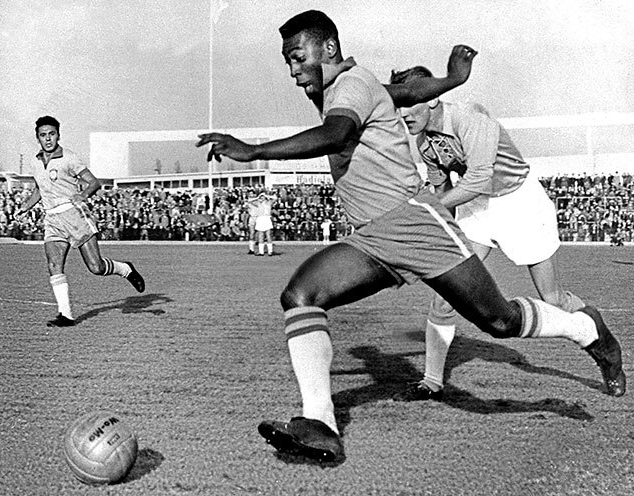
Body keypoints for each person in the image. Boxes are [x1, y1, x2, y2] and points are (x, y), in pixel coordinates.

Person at [196, 10, 624, 463]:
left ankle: (586, 330)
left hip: (416, 225)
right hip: (374, 237)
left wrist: (254, 151)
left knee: (499, 322)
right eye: (287, 61)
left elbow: (335, 133)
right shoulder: (352, 83)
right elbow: (407, 92)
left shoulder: (351, 86)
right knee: (301, 294)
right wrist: (450, 79)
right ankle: (319, 424)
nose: (292, 69)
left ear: (328, 50)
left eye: (298, 57)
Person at [388, 66, 587, 401]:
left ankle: (597, 335)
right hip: (476, 205)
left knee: (553, 299)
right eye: (399, 104)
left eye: (410, 102)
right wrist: (428, 236)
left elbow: (473, 181)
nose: (403, 113)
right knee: (446, 292)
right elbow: (443, 195)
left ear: (434, 97)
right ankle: (431, 381)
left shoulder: (467, 119)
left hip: (518, 201)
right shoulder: (424, 144)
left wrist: (422, 210)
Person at [19, 116, 145, 327]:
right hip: (52, 218)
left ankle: (125, 269)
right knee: (53, 264)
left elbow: (93, 182)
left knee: (95, 267)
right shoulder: (35, 161)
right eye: (43, 135)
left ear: (58, 135)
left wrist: (83, 195)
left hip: (75, 215)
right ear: (37, 138)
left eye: (51, 134)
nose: (48, 139)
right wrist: (25, 206)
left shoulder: (69, 158)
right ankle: (66, 315)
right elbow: (39, 189)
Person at [254, 192, 277, 256]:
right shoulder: (258, 203)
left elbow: (275, 198)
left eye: (263, 197)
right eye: (261, 197)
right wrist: (257, 197)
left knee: (268, 235)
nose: (261, 198)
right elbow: (249, 200)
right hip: (260, 218)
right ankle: (261, 252)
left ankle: (270, 251)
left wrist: (266, 195)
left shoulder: (269, 202)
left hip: (267, 218)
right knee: (260, 235)